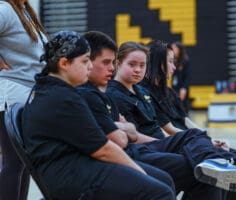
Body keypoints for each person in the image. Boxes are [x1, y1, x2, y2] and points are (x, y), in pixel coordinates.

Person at [77, 31, 236, 200]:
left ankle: (214, 161)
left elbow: (162, 125)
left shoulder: (142, 91)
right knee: (200, 168)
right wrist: (131, 131)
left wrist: (204, 141)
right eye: (131, 65)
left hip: (155, 144)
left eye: (142, 65)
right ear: (119, 64)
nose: (138, 70)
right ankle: (213, 161)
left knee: (209, 150)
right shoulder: (108, 93)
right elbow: (127, 137)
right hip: (145, 148)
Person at [21, 31, 176, 200]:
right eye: (85, 61)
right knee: (160, 191)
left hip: (71, 170)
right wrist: (141, 173)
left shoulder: (48, 90)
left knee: (163, 180)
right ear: (64, 63)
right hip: (73, 179)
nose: (89, 66)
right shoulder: (65, 98)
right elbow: (104, 150)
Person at [140, 40, 236, 200]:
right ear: (158, 63)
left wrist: (208, 138)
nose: (174, 67)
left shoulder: (169, 92)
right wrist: (202, 140)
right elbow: (169, 129)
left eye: (175, 62)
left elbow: (186, 121)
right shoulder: (145, 92)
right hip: (185, 144)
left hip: (195, 141)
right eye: (171, 62)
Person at [0, 1, 48, 199]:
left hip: (29, 97)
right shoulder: (5, 9)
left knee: (25, 164)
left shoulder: (25, 11)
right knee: (14, 162)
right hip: (11, 96)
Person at [171, 41, 191, 113]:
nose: (172, 50)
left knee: (183, 104)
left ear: (179, 49)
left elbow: (187, 76)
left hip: (182, 87)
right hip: (174, 86)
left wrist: (184, 88)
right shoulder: (173, 60)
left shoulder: (185, 60)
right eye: (172, 48)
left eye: (174, 48)